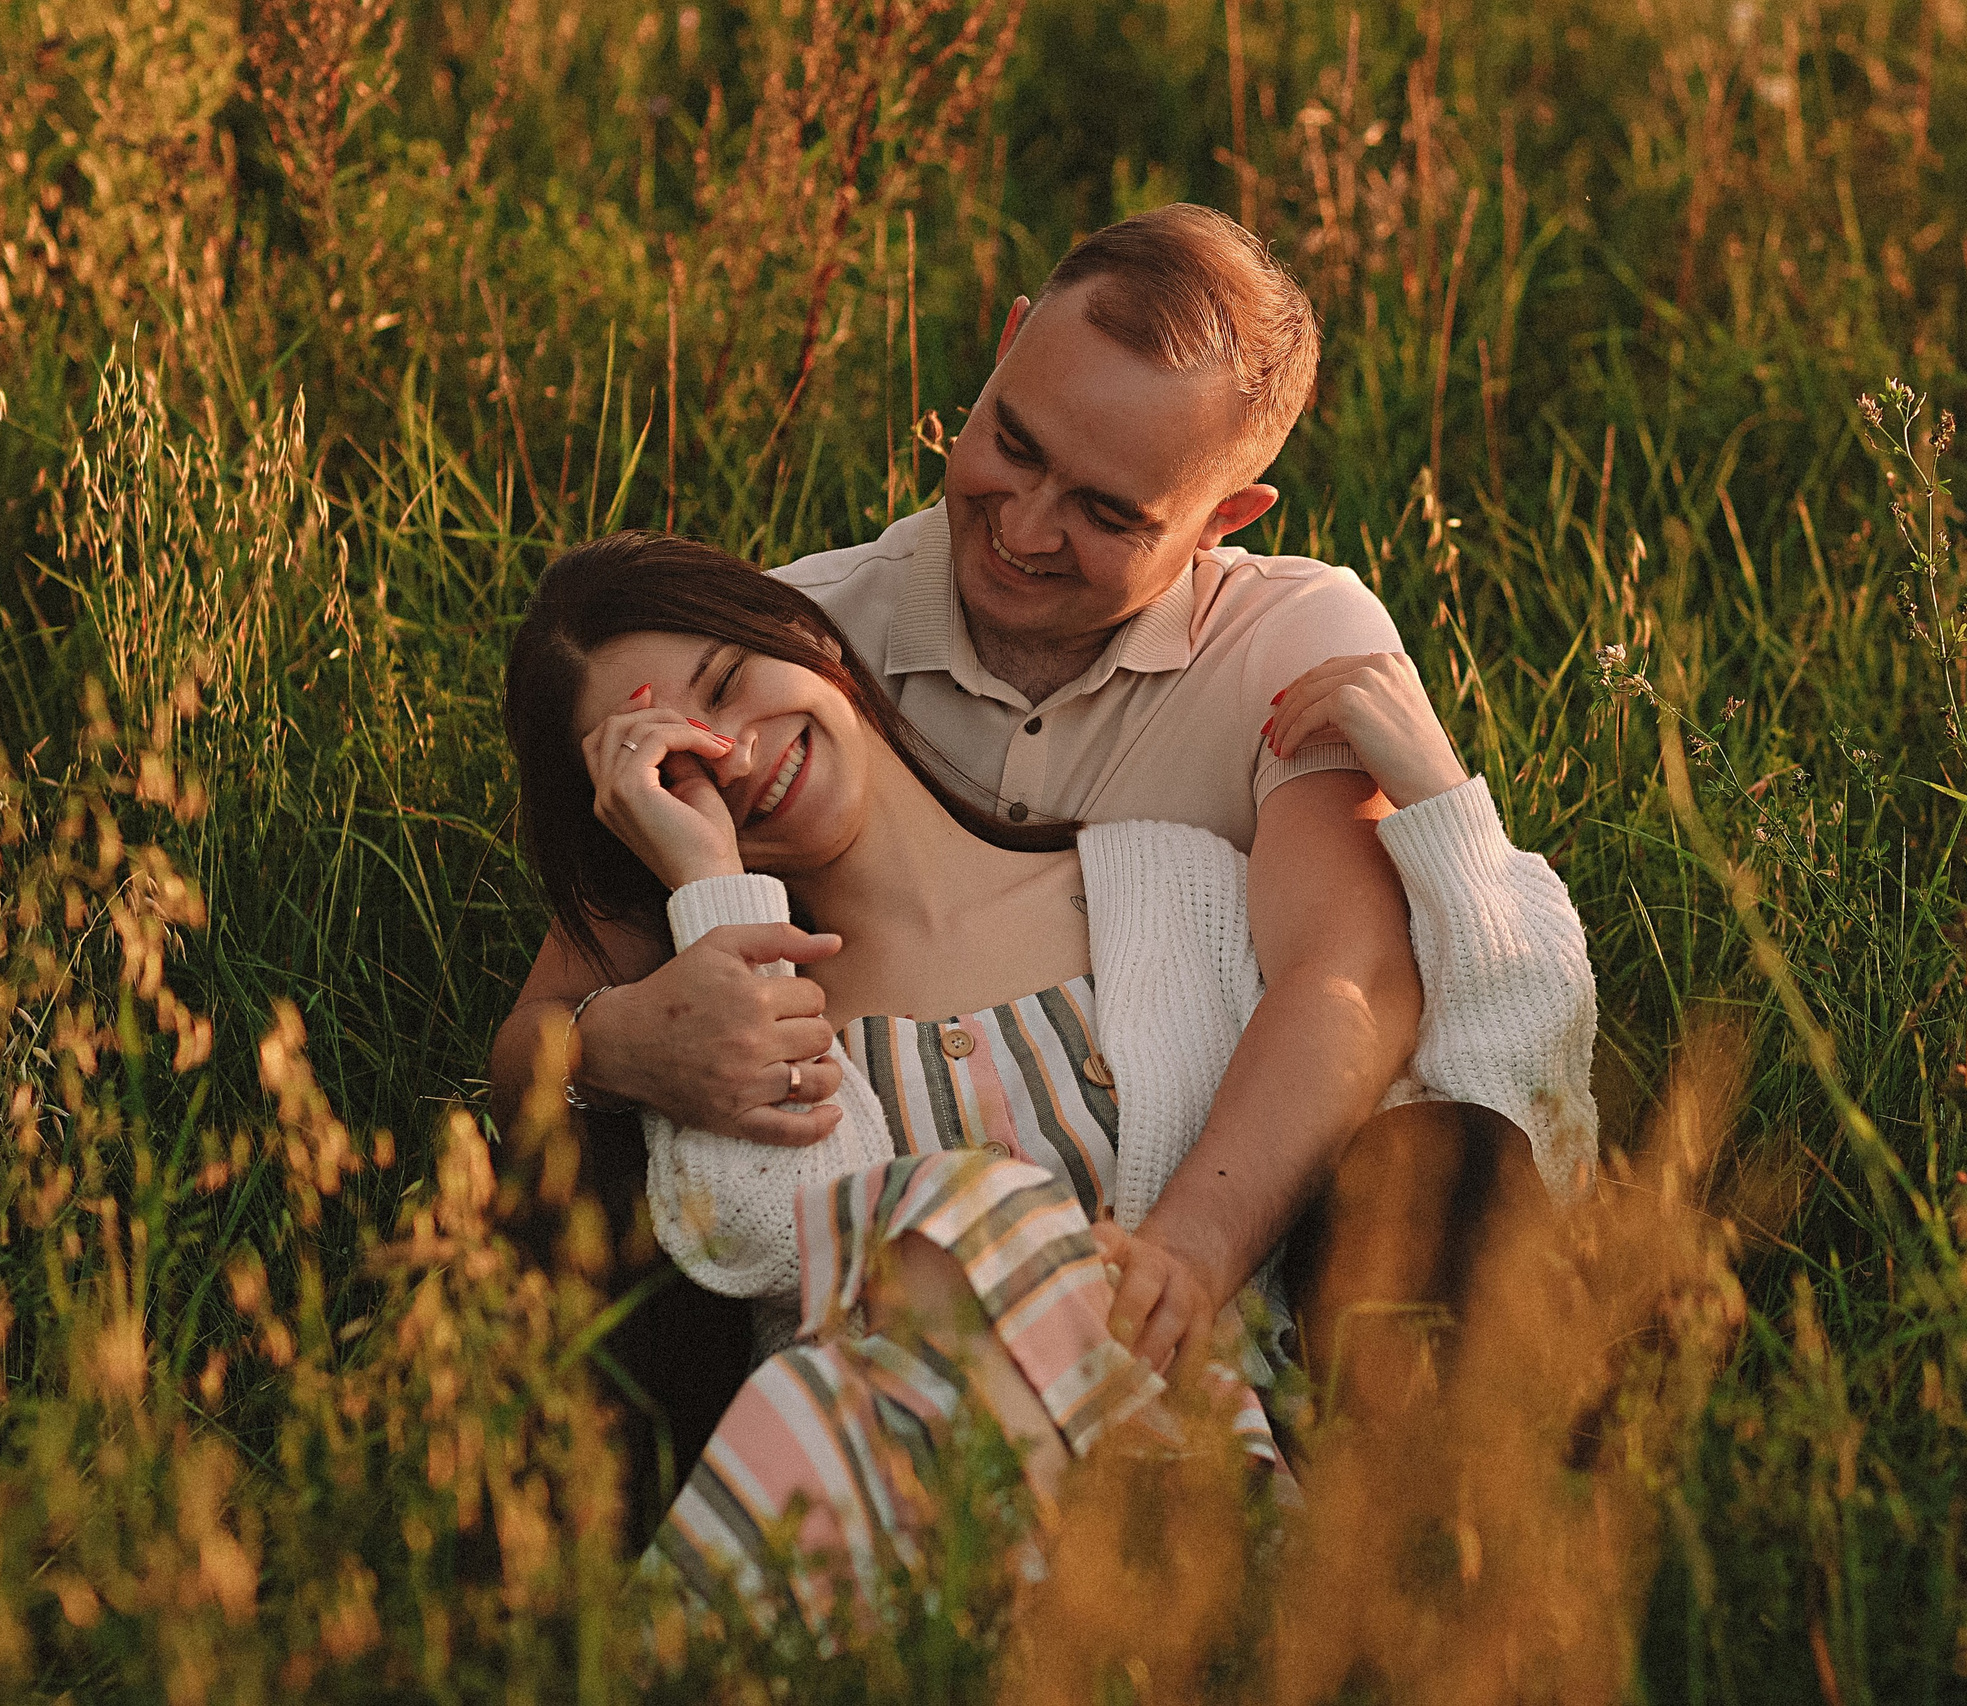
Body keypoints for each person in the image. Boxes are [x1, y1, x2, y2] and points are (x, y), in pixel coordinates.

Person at [489, 205, 1536, 1476]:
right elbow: (535, 1037)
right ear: (1003, 347)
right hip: (891, 1301)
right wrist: (618, 1041)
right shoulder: (800, 640)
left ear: (1223, 516)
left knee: (1439, 1166)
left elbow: (1350, 982)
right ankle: (601, 1591)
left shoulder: (1290, 642)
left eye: (1108, 511)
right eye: (1011, 443)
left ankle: (1430, 1561)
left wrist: (1188, 1256)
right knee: (595, 1166)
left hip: (1207, 1233)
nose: (1026, 529)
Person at [500, 533, 1596, 1623]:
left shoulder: (1178, 888)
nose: (730, 755)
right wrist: (709, 887)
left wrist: (1448, 811)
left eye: (729, 686)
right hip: (919, 1558)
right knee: (942, 1225)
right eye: (668, 766)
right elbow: (778, 1252)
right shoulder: (730, 1021)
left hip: (1233, 1508)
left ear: (805, 632)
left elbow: (1498, 1126)